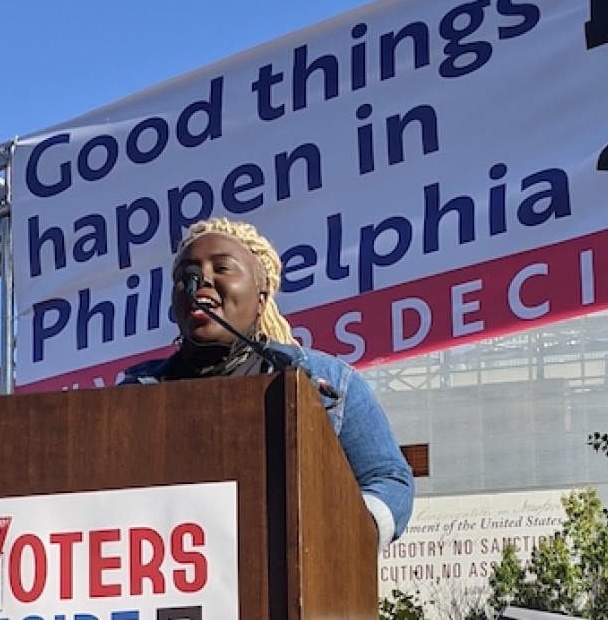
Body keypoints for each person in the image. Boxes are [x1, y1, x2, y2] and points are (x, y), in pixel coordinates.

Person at [120, 217, 414, 549]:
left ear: (261, 299)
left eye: (222, 268)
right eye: (186, 273)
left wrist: (343, 541)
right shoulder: (134, 395)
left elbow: (388, 479)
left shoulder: (326, 382)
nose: (200, 279)